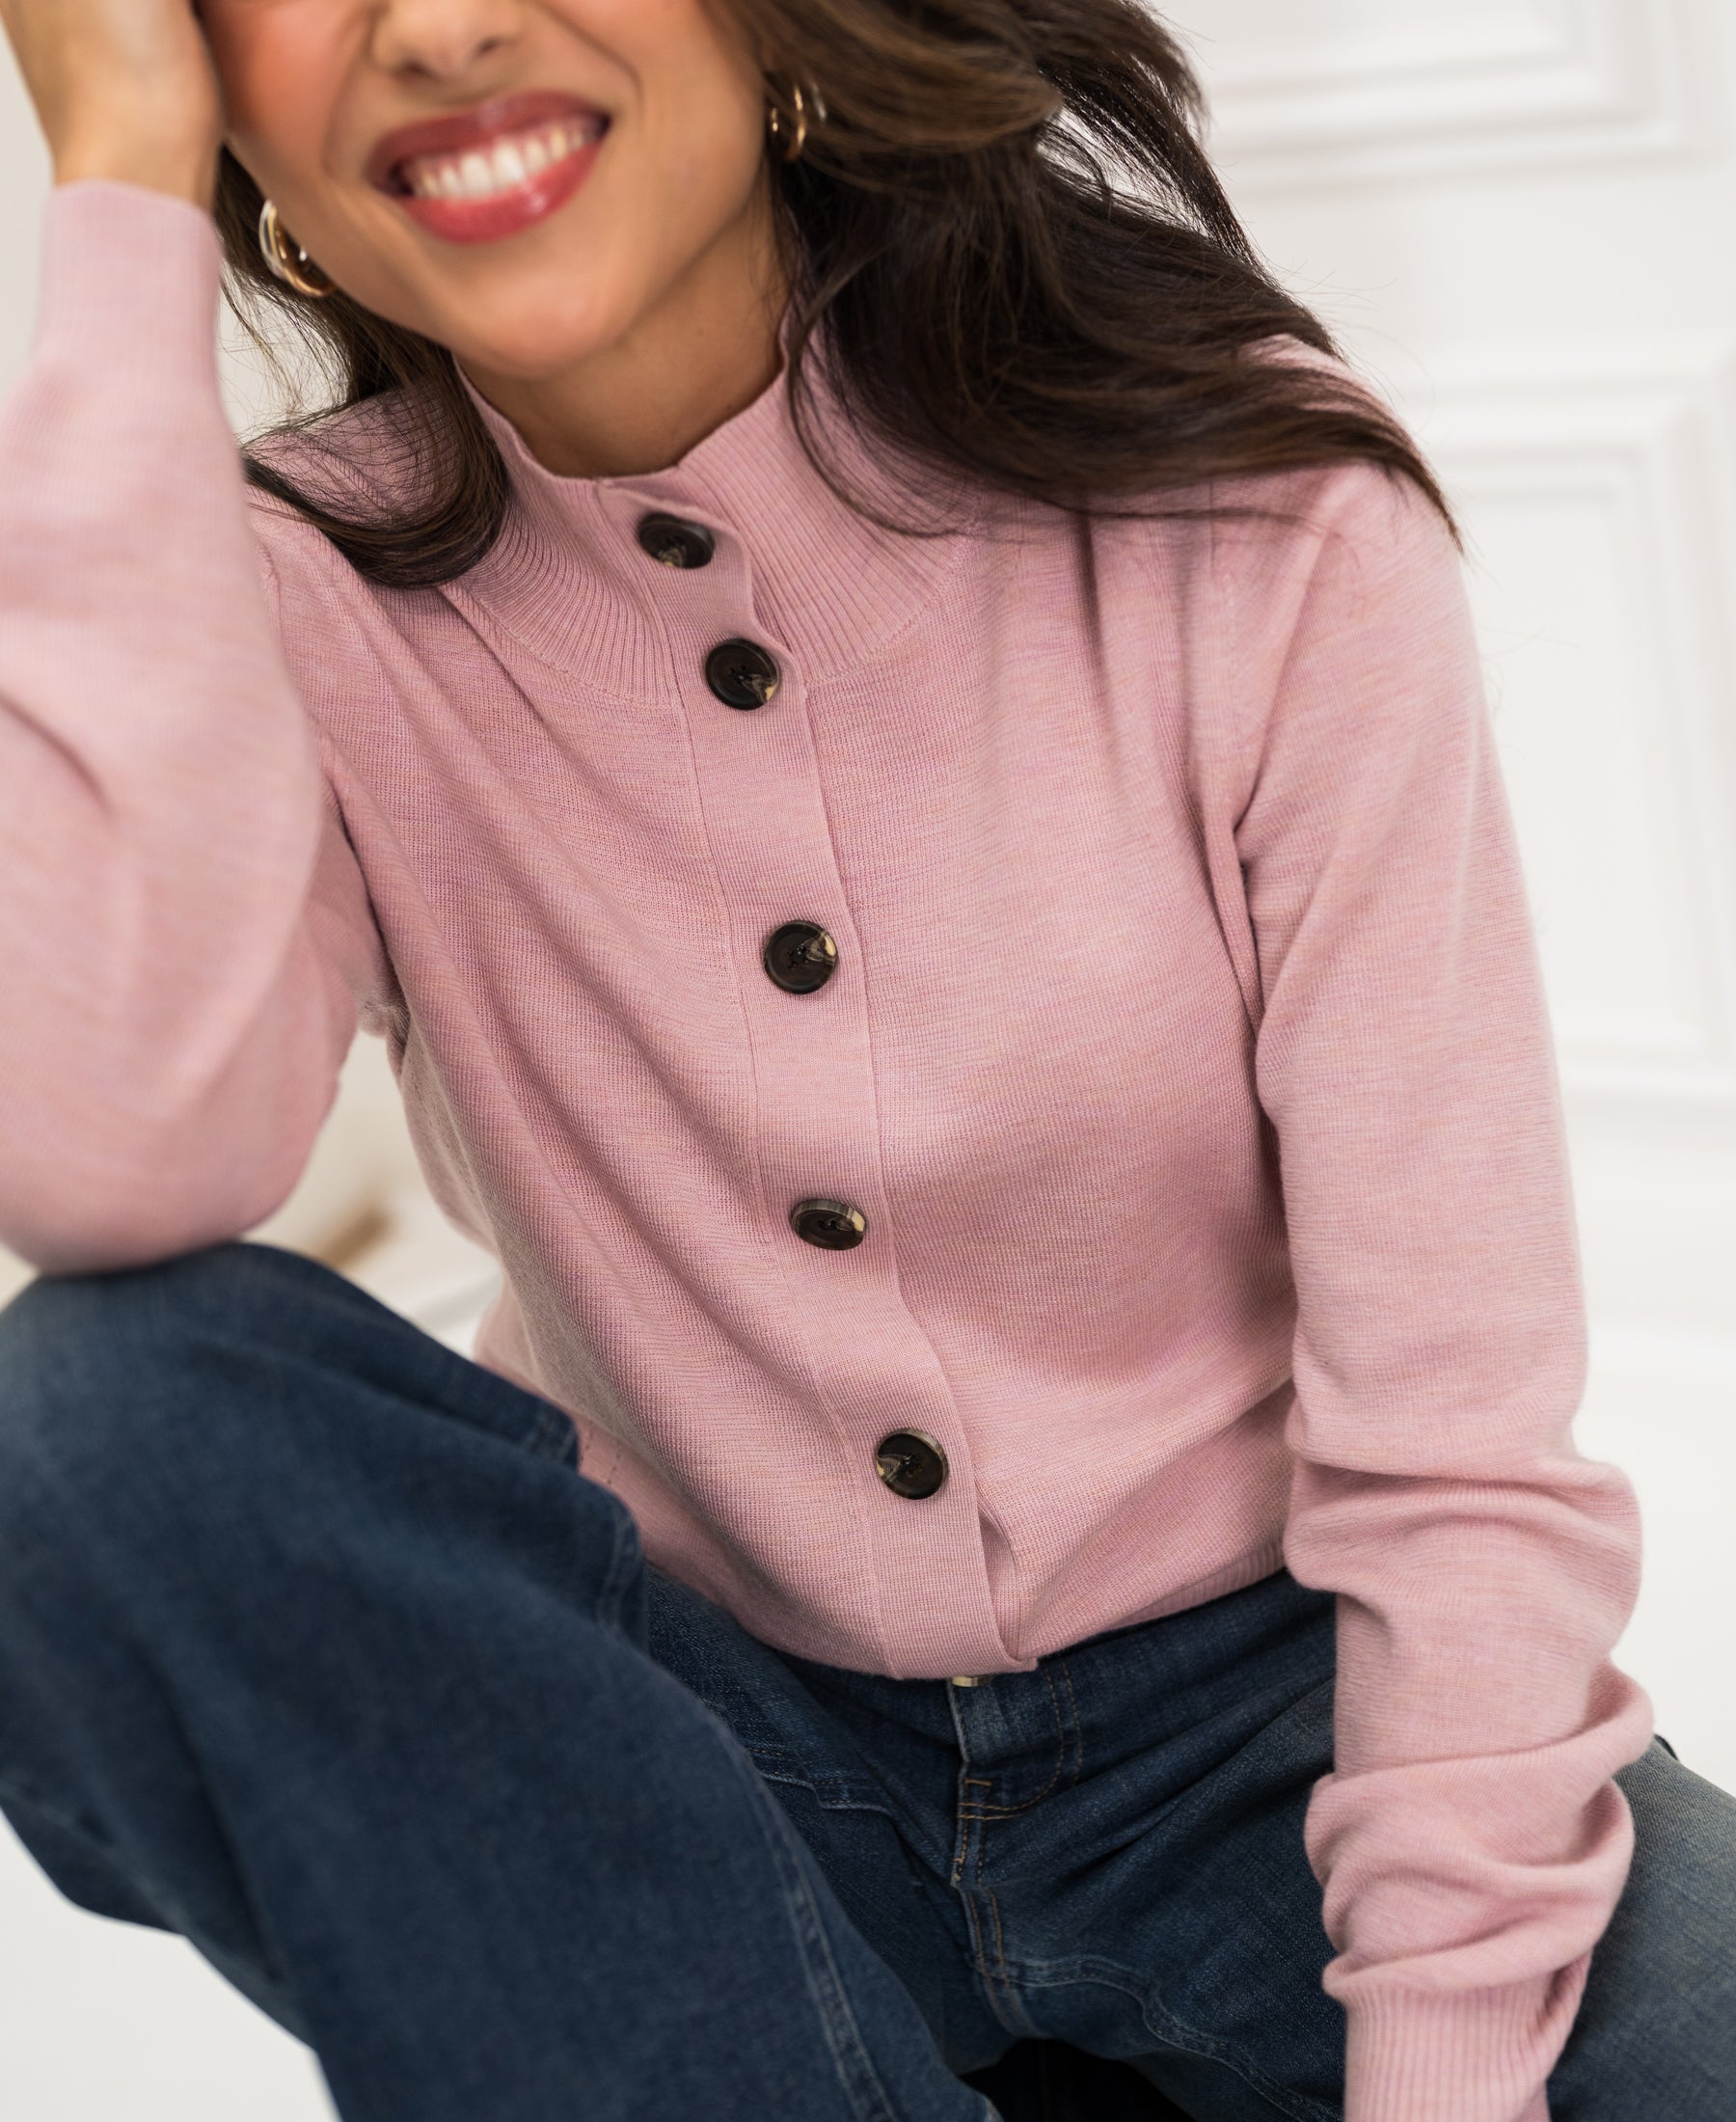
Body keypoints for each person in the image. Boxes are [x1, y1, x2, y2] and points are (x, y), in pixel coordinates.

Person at [0, 1, 1729, 2117]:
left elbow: (1456, 1429)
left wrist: (1446, 2075)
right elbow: (97, 1155)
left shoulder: (1252, 506)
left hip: (1272, 1725)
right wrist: (115, 210)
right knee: (81, 1420)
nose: (440, 24)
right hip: (714, 1749)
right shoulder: (297, 596)